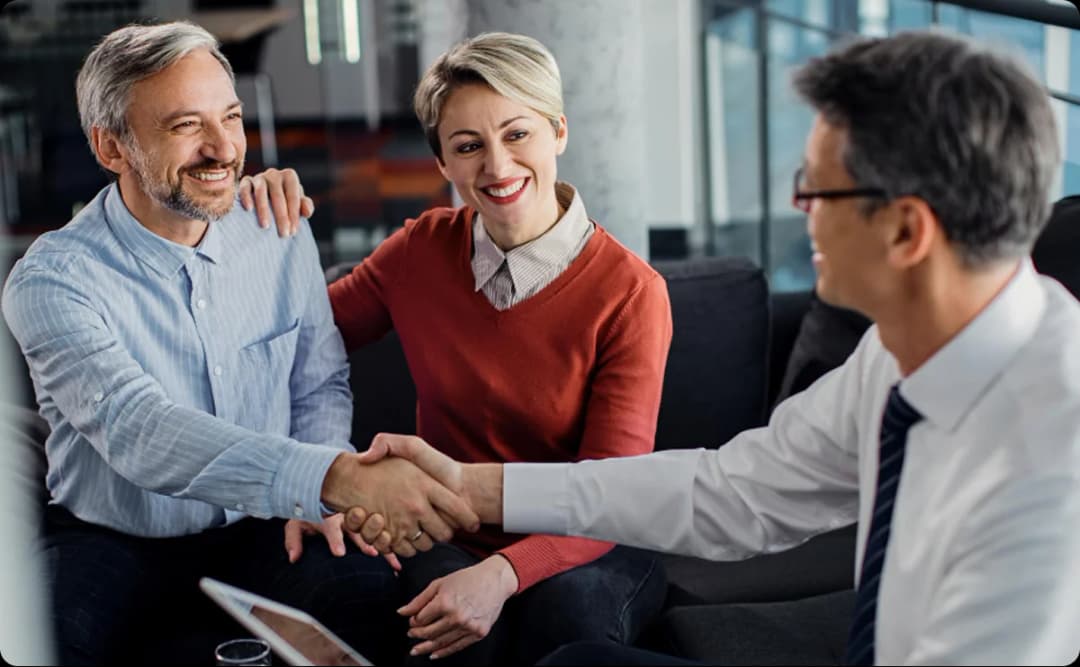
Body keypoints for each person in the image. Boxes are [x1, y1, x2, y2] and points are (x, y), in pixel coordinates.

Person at [348, 30, 1080, 666]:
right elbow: (731, 493)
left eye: (816, 190)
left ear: (907, 230)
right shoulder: (898, 356)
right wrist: (470, 487)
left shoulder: (1046, 463)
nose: (799, 212)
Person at [1, 22, 477, 666]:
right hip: (109, 537)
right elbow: (138, 429)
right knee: (44, 643)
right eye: (185, 126)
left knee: (370, 607)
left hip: (266, 523)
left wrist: (316, 487)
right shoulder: (52, 279)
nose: (224, 148)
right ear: (111, 147)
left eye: (230, 117)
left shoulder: (277, 226)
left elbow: (318, 383)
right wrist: (332, 478)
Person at [249, 31, 671, 666]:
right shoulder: (420, 251)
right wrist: (251, 228)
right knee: (444, 631)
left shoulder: (632, 293)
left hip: (589, 540)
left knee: (566, 622)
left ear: (559, 130)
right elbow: (292, 342)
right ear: (443, 163)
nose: (497, 167)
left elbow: (608, 497)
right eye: (468, 146)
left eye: (517, 134)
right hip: (447, 533)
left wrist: (504, 574)